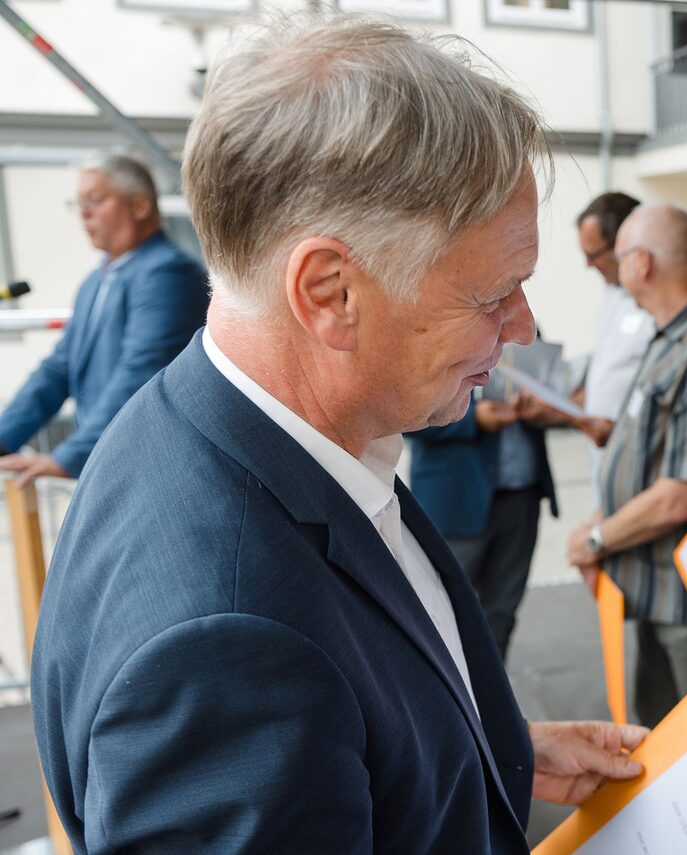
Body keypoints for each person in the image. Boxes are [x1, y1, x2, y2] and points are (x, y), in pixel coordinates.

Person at [31, 17, 644, 853]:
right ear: (330, 292)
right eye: (492, 293)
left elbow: (339, 701)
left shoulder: (213, 427)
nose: (525, 327)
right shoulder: (231, 647)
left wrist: (477, 749)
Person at [565, 204, 687, 726]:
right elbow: (642, 451)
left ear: (640, 263)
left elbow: (680, 493)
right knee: (655, 730)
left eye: (613, 259)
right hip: (652, 589)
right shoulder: (669, 336)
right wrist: (598, 520)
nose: (608, 271)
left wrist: (596, 540)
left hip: (684, 600)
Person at [0, 153, 207, 486]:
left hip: (153, 469)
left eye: (96, 200)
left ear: (139, 206)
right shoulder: (94, 283)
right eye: (78, 203)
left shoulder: (167, 273)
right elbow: (58, 370)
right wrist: (4, 437)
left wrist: (69, 456)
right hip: (112, 463)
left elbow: (141, 374)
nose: (84, 213)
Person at [407, 344, 558, 663]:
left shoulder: (525, 331)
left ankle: (494, 703)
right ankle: (448, 707)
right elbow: (406, 411)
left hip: (522, 494)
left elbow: (546, 388)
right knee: (441, 613)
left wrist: (543, 409)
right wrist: (471, 420)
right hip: (455, 498)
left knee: (502, 611)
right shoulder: (433, 321)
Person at [516, 192, 654, 491]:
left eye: (594, 255)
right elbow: (604, 378)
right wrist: (556, 409)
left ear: (625, 244)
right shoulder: (612, 295)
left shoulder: (657, 304)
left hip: (643, 465)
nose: (589, 266)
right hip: (605, 462)